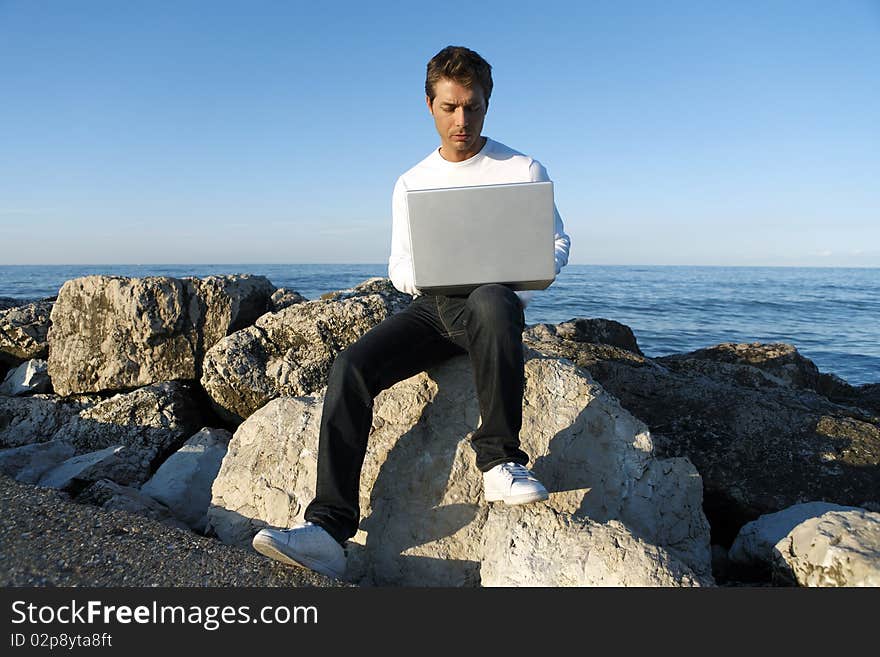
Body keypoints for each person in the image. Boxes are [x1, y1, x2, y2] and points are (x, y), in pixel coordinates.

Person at [252, 45, 571, 579]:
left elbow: (557, 242)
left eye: (471, 106)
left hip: (492, 307)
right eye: (449, 107)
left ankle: (500, 462)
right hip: (432, 307)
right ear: (430, 105)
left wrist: (524, 277)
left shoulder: (522, 167)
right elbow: (398, 265)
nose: (461, 120)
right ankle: (329, 529)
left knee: (493, 298)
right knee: (350, 366)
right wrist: (432, 274)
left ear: (487, 104)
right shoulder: (411, 180)